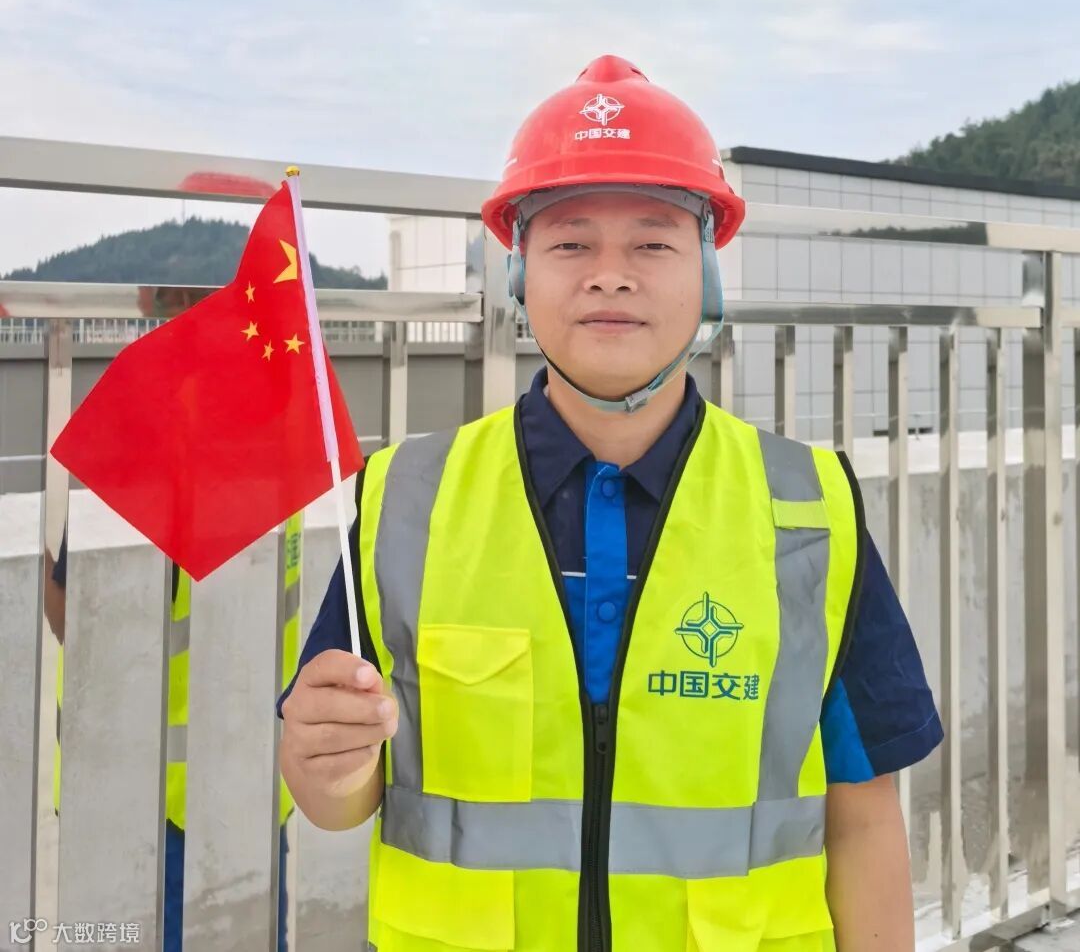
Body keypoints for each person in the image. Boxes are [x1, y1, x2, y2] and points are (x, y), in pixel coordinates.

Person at [278, 55, 942, 951]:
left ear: (708, 273)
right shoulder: (408, 503)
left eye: (653, 242)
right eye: (571, 243)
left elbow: (863, 817)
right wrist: (323, 763)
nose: (611, 275)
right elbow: (342, 797)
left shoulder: (808, 509)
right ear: (519, 271)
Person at [50, 515, 302, 951]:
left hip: (157, 809)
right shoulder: (285, 485)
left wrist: (34, 559)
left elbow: (77, 623)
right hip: (256, 785)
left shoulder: (134, 487)